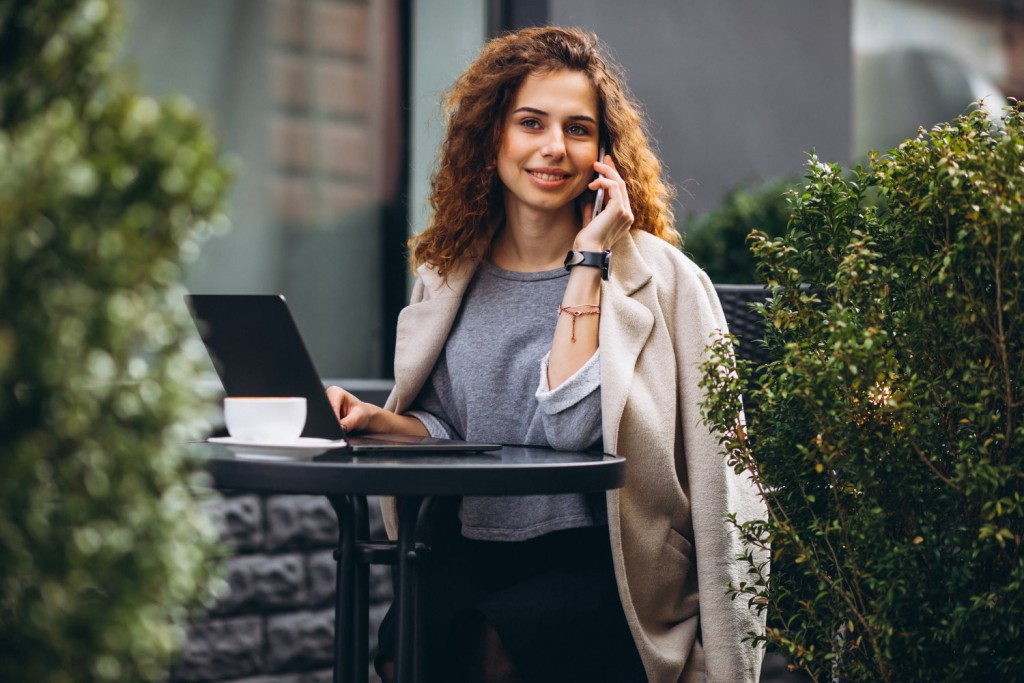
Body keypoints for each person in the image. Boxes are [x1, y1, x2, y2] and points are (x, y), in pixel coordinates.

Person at [327, 26, 767, 683]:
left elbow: (586, 432)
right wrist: (376, 421)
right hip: (471, 545)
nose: (554, 147)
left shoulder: (666, 281)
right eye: (531, 122)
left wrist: (588, 260)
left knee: (501, 650)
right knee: (402, 652)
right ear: (492, 136)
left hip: (606, 563)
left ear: (604, 154)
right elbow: (452, 427)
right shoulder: (448, 274)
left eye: (578, 129)